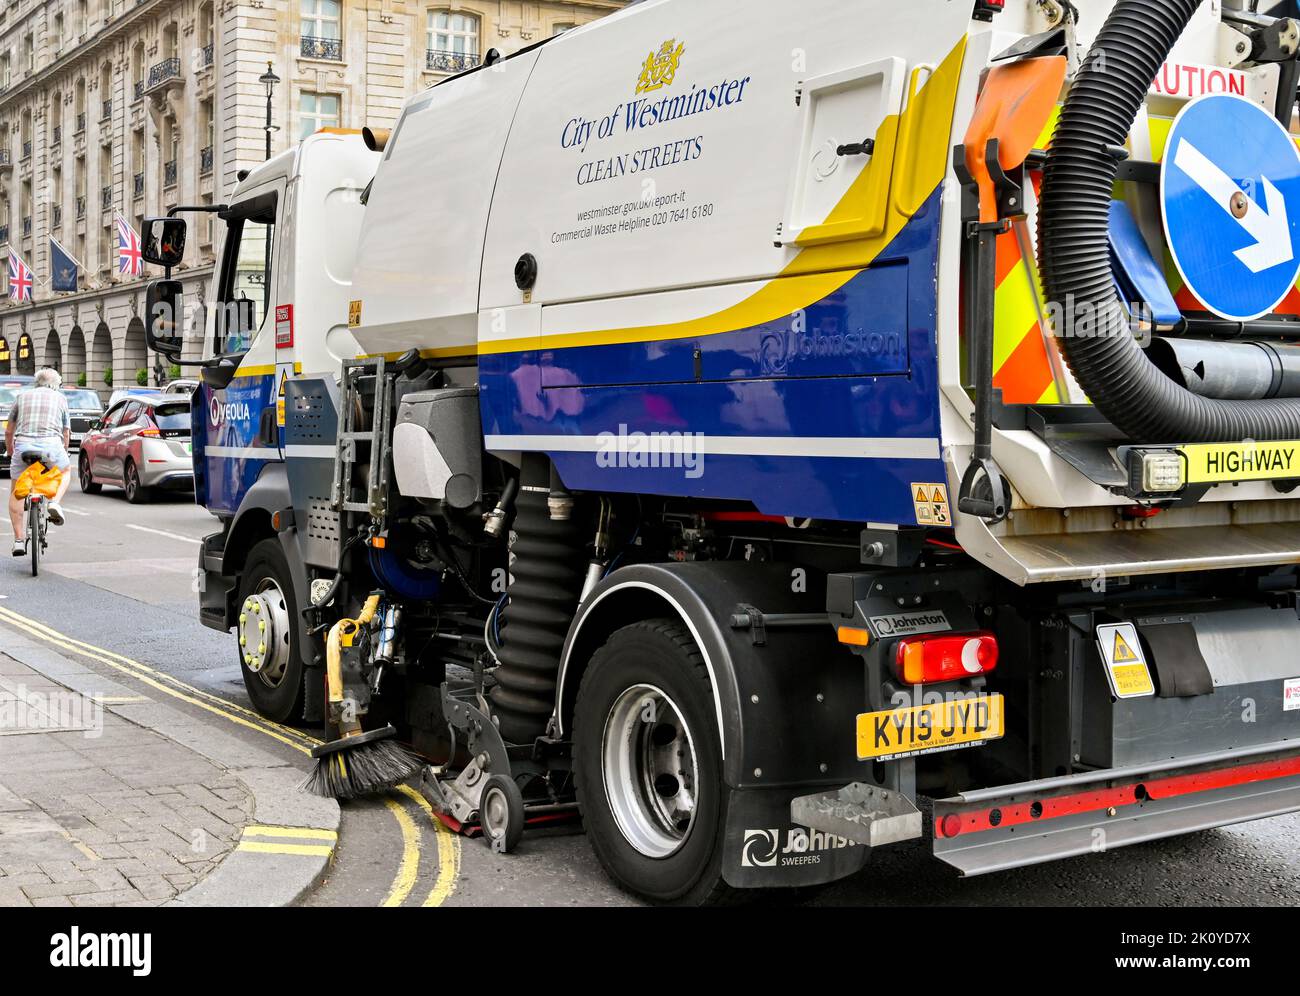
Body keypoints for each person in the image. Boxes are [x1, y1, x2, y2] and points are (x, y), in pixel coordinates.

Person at [5, 367, 71, 555]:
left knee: (17, 491)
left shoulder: (21, 397)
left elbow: (9, 431)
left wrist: (11, 451)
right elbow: (66, 432)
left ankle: (18, 540)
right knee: (66, 472)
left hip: (24, 446)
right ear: (55, 385)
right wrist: (64, 451)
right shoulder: (61, 399)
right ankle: (55, 503)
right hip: (51, 445)